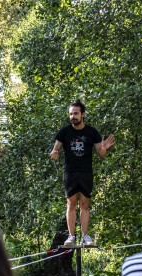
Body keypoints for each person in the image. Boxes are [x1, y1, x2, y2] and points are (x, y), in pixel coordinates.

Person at [50, 99, 115, 246]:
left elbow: (101, 153)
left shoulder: (92, 132)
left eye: (76, 113)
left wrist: (104, 147)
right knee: (70, 204)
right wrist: (54, 152)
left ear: (83, 114)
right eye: (71, 114)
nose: (73, 116)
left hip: (86, 172)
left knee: (85, 204)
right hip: (70, 172)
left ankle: (85, 236)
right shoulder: (64, 132)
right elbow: (56, 149)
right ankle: (71, 237)